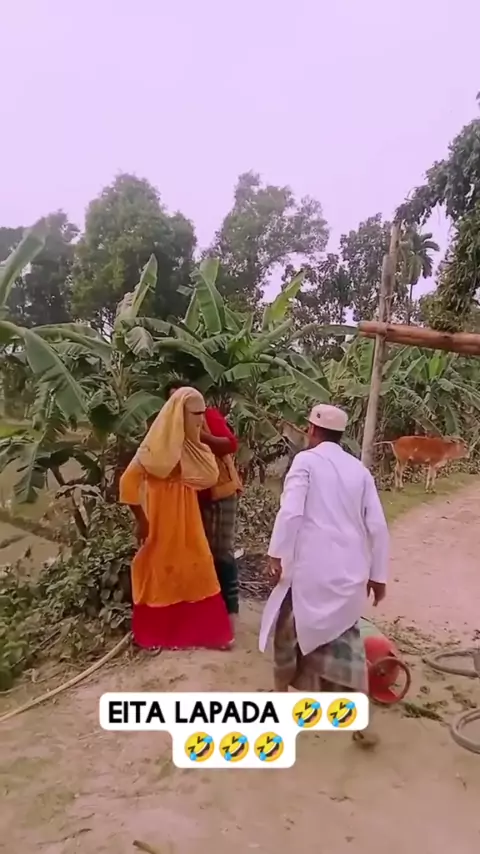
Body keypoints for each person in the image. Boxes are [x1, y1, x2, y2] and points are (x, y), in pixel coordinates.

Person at [259, 403, 389, 747]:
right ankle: (360, 721)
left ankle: (279, 700)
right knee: (348, 646)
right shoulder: (359, 470)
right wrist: (378, 575)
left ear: (312, 430)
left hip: (308, 572)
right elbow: (377, 526)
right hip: (348, 574)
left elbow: (291, 511)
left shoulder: (305, 462)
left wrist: (275, 554)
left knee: (287, 635)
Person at [119, 386, 233, 651]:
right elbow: (127, 482)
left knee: (200, 569)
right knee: (161, 574)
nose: (200, 420)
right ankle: (158, 634)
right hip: (160, 520)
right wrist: (141, 521)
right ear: (180, 414)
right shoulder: (155, 446)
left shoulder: (191, 446)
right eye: (195, 414)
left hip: (188, 520)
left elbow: (209, 474)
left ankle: (211, 635)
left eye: (202, 413)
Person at [165, 381, 242, 635]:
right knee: (199, 554)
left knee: (221, 552)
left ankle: (230, 614)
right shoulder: (167, 427)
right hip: (189, 498)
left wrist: (199, 435)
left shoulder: (208, 417)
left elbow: (230, 444)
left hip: (219, 492)